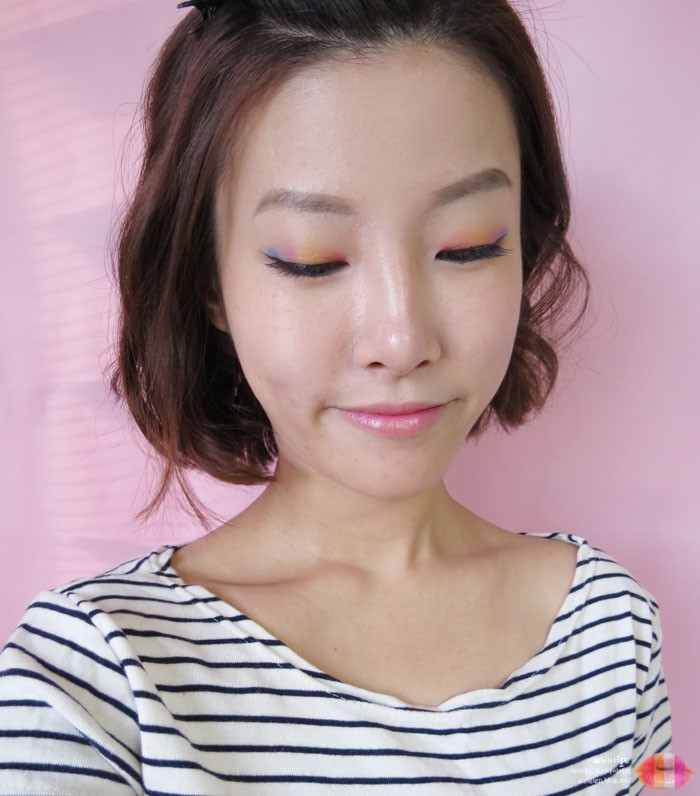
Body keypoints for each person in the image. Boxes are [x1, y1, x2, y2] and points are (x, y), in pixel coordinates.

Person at [0, 0, 672, 793]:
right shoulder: (93, 678)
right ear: (210, 282)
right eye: (313, 259)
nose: (402, 338)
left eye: (468, 246)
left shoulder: (610, 626)